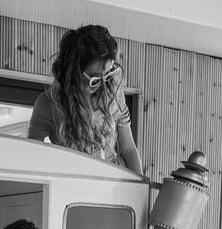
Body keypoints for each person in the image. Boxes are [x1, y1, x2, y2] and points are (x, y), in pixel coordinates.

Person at [28, 24, 143, 174]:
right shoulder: (47, 104)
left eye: (108, 74)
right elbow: (32, 156)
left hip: (113, 181)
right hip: (74, 183)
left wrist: (142, 183)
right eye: (95, 79)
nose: (104, 85)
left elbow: (128, 148)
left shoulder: (114, 93)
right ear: (73, 73)